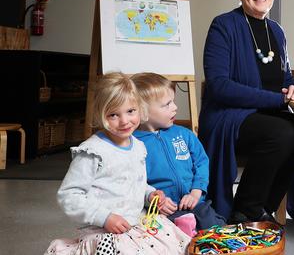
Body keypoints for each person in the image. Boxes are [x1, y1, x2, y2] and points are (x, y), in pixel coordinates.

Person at [199, 0, 294, 223]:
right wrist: (278, 99)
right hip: (229, 117)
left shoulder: (276, 31)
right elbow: (220, 87)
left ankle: (262, 205)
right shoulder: (223, 25)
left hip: (265, 114)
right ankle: (246, 208)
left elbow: (283, 81)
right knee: (282, 132)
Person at [46, 72, 190, 255]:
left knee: (175, 245)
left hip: (135, 225)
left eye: (130, 111)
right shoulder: (93, 151)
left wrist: (149, 194)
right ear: (100, 115)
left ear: (139, 108)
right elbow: (69, 195)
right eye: (113, 115)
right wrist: (104, 218)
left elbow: (133, 182)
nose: (124, 121)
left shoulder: (137, 146)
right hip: (103, 232)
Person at [132, 72, 226, 236]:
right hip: (165, 210)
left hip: (196, 202)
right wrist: (155, 202)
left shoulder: (184, 134)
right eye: (166, 104)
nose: (175, 107)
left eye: (173, 101)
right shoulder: (133, 144)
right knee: (173, 238)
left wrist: (196, 191)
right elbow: (133, 181)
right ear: (143, 112)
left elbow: (202, 163)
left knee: (217, 229)